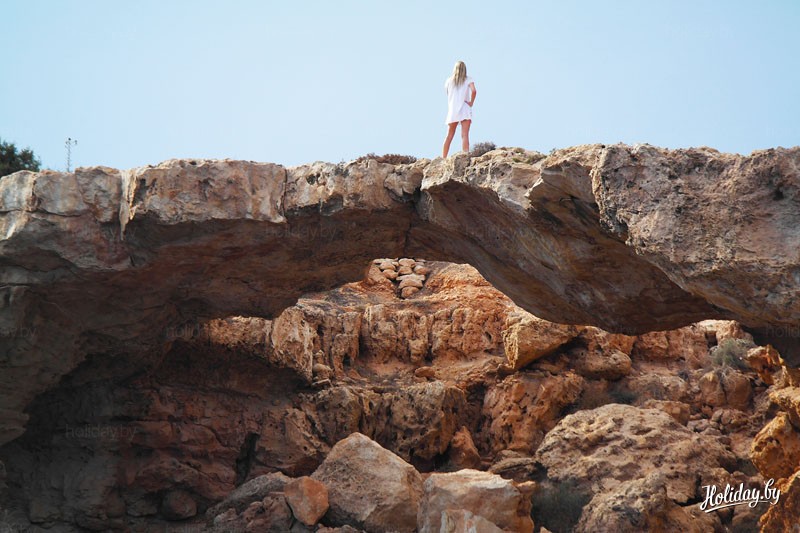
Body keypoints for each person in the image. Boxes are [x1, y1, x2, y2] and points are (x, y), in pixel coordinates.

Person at [442, 60, 477, 158]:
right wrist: (471, 102)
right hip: (465, 108)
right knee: (465, 135)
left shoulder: (449, 80)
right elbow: (474, 91)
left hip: (453, 110)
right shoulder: (468, 79)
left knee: (449, 136)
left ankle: (443, 158)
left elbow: (447, 93)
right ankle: (465, 156)